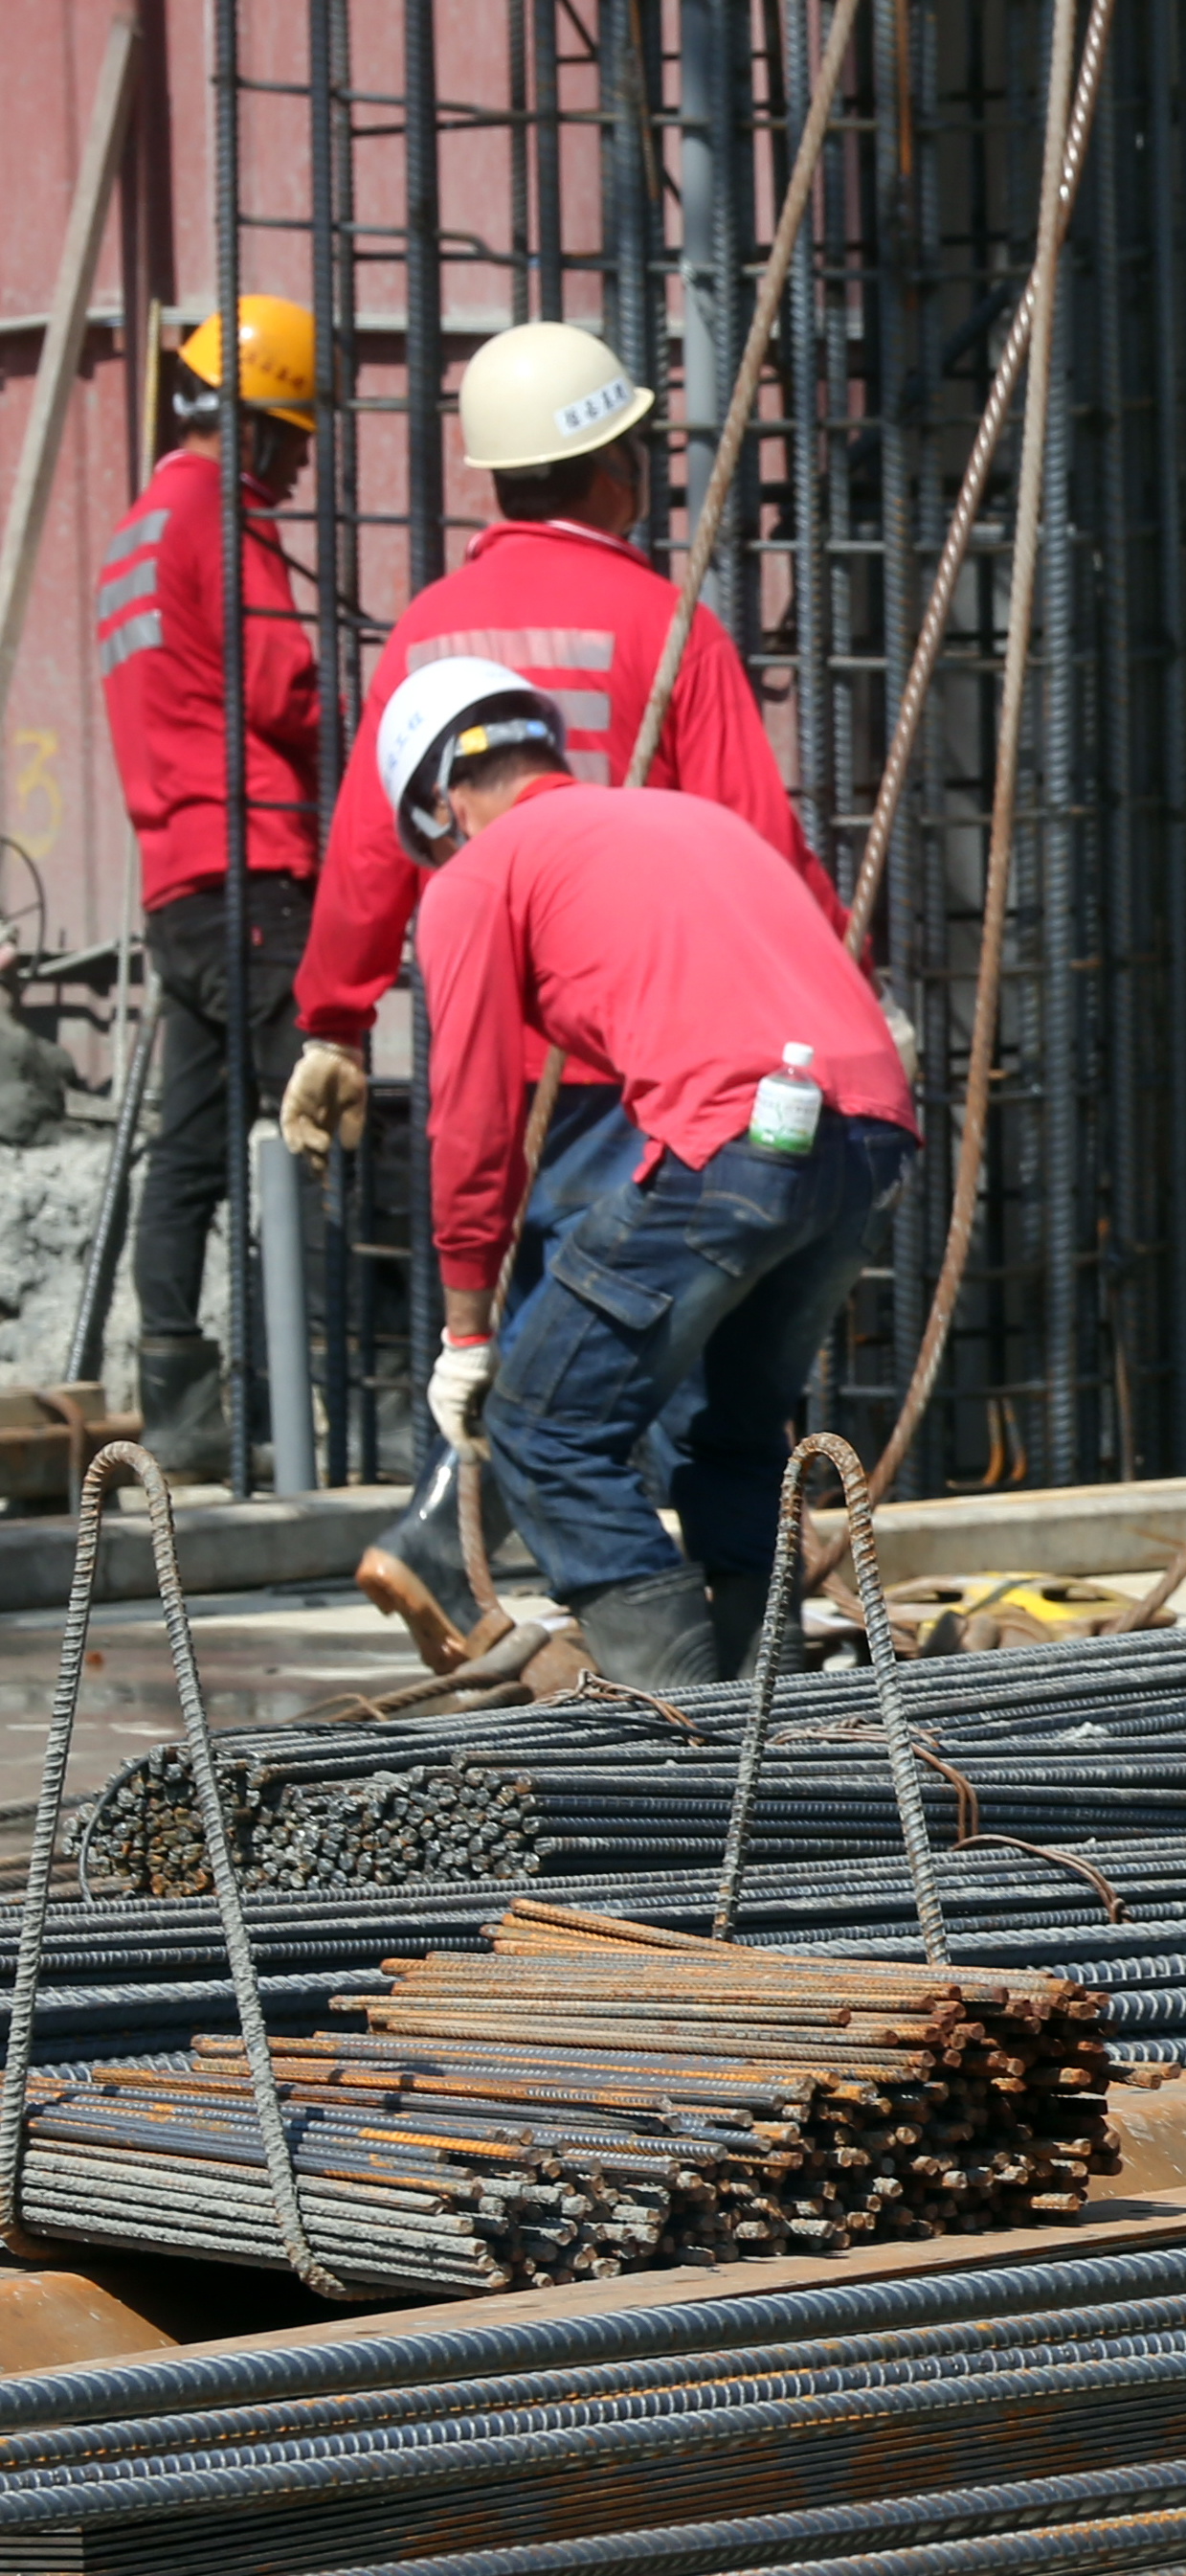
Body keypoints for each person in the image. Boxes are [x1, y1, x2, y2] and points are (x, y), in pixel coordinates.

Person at [272, 321, 848, 1664]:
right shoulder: (666, 619)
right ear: (612, 466)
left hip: (501, 1018)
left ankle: (448, 1541)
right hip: (655, 1051)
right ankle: (699, 1633)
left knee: (535, 1319)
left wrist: (336, 1018)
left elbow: (370, 846)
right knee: (660, 1340)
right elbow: (755, 838)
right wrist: (828, 993)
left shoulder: (428, 631)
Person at [374, 658, 915, 1689]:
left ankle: (684, 1719)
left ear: (444, 801)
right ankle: (769, 1709)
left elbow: (473, 1121)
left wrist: (467, 1334)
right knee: (737, 1435)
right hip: (874, 1138)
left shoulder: (477, 876)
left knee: (542, 1429)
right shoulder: (691, 819)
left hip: (738, 1141)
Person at [88, 297, 324, 1483]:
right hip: (257, 867)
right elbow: (283, 688)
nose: (301, 463)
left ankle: (178, 1413)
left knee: (187, 1152)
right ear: (253, 424)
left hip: (177, 887)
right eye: (295, 435)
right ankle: (326, 1398)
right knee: (319, 1128)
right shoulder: (218, 519)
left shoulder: (132, 534)